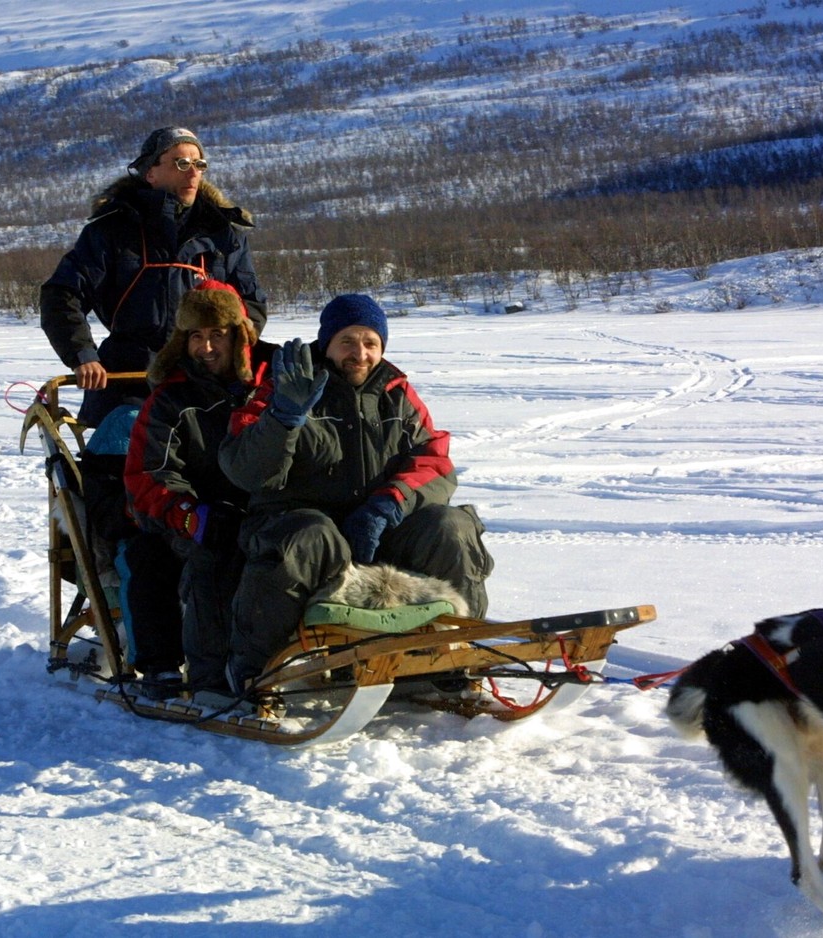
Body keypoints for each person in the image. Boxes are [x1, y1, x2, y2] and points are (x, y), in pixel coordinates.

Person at [218, 293, 494, 692]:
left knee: (449, 525)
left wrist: (388, 504)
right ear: (327, 343)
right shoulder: (285, 385)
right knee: (308, 535)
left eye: (370, 343)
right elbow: (246, 470)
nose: (360, 354)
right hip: (301, 531)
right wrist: (283, 417)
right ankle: (257, 669)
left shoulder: (396, 393)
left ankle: (451, 653)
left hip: (377, 532)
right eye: (347, 341)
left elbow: (434, 461)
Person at [40, 126, 267, 427]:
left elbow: (250, 303)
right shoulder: (111, 230)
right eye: (180, 163)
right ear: (151, 173)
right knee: (120, 456)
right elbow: (61, 294)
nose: (193, 172)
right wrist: (83, 355)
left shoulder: (223, 234)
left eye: (199, 164)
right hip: (129, 378)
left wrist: (235, 344)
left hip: (206, 379)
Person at [123, 279, 278, 697]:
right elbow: (148, 474)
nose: (205, 348)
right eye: (196, 336)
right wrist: (191, 515)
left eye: (216, 335)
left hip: (265, 508)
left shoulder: (273, 383)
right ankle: (183, 671)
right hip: (191, 513)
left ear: (240, 336)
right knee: (187, 554)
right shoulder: (172, 399)